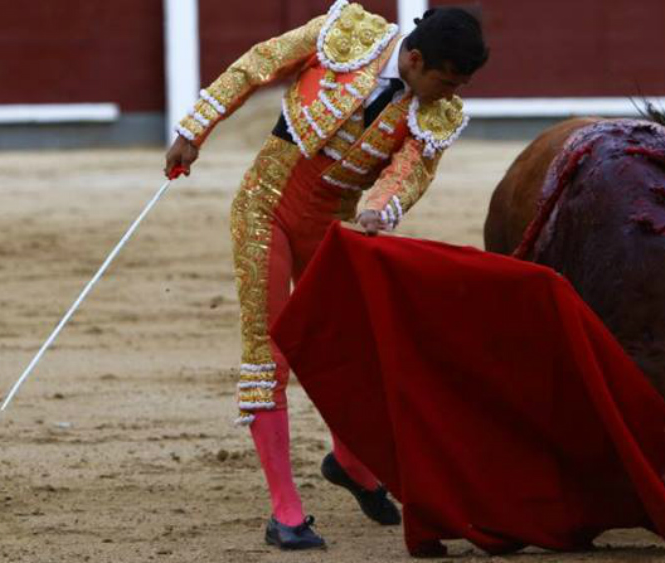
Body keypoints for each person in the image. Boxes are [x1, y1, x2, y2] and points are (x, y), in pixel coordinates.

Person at [163, 0, 489, 551]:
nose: (451, 95)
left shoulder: (437, 113)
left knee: (345, 349)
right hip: (265, 208)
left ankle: (350, 464)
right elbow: (256, 65)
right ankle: (285, 511)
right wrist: (195, 129)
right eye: (447, 81)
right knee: (268, 352)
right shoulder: (345, 34)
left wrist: (379, 207)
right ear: (414, 60)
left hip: (332, 228)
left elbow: (410, 171)